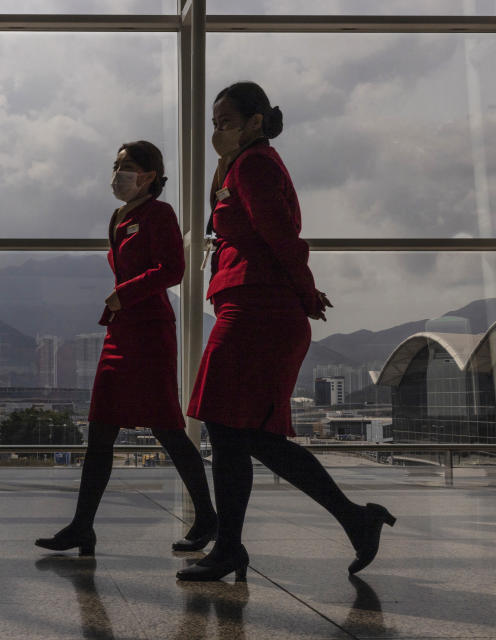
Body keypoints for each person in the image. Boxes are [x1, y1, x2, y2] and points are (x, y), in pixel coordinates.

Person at [177, 82, 395, 582]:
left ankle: (345, 521)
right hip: (246, 306)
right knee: (234, 432)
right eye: (214, 123)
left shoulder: (255, 164)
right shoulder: (240, 164)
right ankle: (342, 522)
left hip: (261, 311)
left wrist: (307, 292)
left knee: (236, 430)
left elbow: (282, 236)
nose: (217, 131)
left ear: (255, 121)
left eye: (226, 122)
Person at [35, 140, 217, 556]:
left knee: (167, 428)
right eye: (116, 165)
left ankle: (207, 516)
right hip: (121, 332)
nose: (118, 173)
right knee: (100, 429)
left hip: (150, 332)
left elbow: (173, 269)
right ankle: (82, 526)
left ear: (149, 175)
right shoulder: (118, 217)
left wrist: (124, 293)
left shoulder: (160, 214)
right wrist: (121, 301)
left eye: (127, 166)